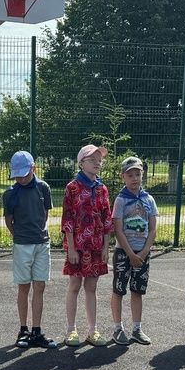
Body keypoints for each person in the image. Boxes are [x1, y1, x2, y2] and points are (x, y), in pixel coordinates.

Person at [3, 151, 58, 349]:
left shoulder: (43, 188)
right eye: (17, 175)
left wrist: (37, 234)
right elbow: (9, 220)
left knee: (40, 286)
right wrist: (19, 235)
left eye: (24, 174)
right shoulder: (10, 193)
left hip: (42, 243)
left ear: (33, 168)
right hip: (22, 245)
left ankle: (36, 330)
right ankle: (23, 329)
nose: (20, 178)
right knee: (23, 286)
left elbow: (44, 214)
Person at [62, 144, 113, 346]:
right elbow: (67, 220)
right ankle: (71, 330)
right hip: (78, 246)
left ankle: (93, 330)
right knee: (74, 285)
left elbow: (107, 219)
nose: (97, 163)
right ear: (81, 163)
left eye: (99, 160)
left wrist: (105, 247)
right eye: (92, 160)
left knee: (91, 287)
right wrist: (72, 247)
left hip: (96, 246)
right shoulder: (72, 188)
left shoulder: (102, 189)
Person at [109, 156, 157, 346]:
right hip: (124, 253)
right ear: (123, 177)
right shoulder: (121, 200)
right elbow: (117, 230)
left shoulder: (149, 199)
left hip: (142, 252)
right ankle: (117, 328)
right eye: (130, 175)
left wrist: (144, 252)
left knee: (137, 291)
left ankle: (136, 328)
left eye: (138, 174)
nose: (135, 178)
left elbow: (153, 229)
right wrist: (130, 254)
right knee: (119, 290)